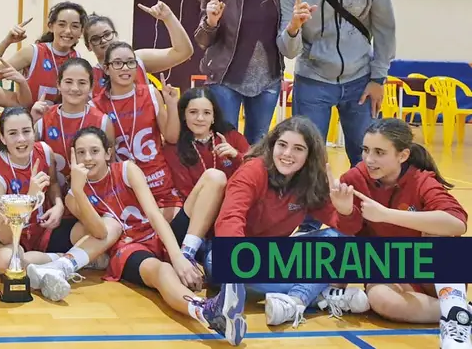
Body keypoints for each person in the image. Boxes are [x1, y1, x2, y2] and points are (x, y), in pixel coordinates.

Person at [30, 127, 246, 345]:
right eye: (81, 152)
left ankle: (188, 252)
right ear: (73, 157)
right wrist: (78, 189)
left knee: (215, 177)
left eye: (94, 151)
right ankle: (206, 311)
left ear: (108, 153)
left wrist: (179, 256)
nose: (87, 158)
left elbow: (153, 213)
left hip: (155, 232)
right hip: (128, 249)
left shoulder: (127, 169)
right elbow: (99, 232)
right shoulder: (72, 196)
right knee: (163, 270)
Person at [211, 116, 369, 328]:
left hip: (277, 256)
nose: (287, 154)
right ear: (272, 145)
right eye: (282, 145)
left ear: (309, 155)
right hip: (235, 253)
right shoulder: (253, 170)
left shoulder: (308, 180)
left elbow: (348, 229)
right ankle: (321, 295)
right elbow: (231, 217)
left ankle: (297, 300)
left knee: (342, 241)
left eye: (298, 148)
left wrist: (345, 211)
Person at [338, 118, 470, 349]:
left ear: (403, 155)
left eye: (379, 152)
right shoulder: (354, 179)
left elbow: (457, 223)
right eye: (366, 150)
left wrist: (386, 214)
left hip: (433, 270)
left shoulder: (421, 180)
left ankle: (456, 318)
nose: (369, 159)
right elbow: (348, 234)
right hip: (389, 267)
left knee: (439, 233)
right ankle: (458, 313)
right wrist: (344, 211)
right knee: (380, 300)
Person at [278, 0, 396, 167]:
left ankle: (365, 205)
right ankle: (308, 206)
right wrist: (294, 27)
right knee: (306, 156)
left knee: (367, 156)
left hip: (361, 81)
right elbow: (288, 50)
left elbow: (385, 29)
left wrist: (378, 78)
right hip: (312, 81)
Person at [194, 0, 289, 144]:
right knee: (226, 141)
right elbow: (202, 41)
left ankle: (251, 181)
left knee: (258, 142)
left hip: (267, 80)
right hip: (225, 79)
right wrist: (211, 21)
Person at [92, 41, 181, 220]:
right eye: (117, 63)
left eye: (130, 62)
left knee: (174, 228)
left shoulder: (150, 93)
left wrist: (172, 105)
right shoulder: (97, 105)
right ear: (107, 69)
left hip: (159, 183)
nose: (125, 68)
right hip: (125, 188)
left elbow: (171, 137)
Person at [162, 87, 249, 261]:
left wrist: (237, 157)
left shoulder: (232, 138)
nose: (200, 118)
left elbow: (256, 176)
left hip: (225, 222)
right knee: (215, 177)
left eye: (206, 113)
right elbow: (184, 193)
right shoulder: (174, 146)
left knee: (219, 265)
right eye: (193, 112)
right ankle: (188, 252)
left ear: (214, 116)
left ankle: (205, 255)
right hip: (189, 220)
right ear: (184, 115)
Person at [0, 107, 71, 275]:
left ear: (34, 132)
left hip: (45, 229)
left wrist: (59, 206)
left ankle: (41, 268)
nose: (21, 139)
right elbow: (5, 236)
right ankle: (61, 261)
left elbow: (53, 184)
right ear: (2, 137)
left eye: (26, 131)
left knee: (87, 233)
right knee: (5, 261)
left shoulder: (44, 151)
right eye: (13, 133)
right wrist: (30, 197)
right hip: (15, 238)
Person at [0, 2, 88, 103]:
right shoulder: (33, 53)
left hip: (59, 122)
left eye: (75, 26)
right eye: (61, 24)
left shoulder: (78, 59)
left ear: (81, 31)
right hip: (29, 121)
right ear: (50, 26)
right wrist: (6, 42)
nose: (68, 31)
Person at [33, 58, 114, 192]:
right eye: (68, 82)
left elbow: (110, 167)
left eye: (82, 83)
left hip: (91, 200)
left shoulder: (103, 122)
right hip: (52, 203)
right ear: (58, 84)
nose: (75, 88)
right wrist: (32, 121)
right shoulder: (43, 119)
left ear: (91, 86)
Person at [83, 1, 193, 98]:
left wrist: (168, 17)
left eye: (107, 34)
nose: (103, 41)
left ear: (116, 34)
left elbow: (183, 52)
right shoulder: (89, 76)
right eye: (95, 39)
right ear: (88, 46)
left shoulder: (139, 59)